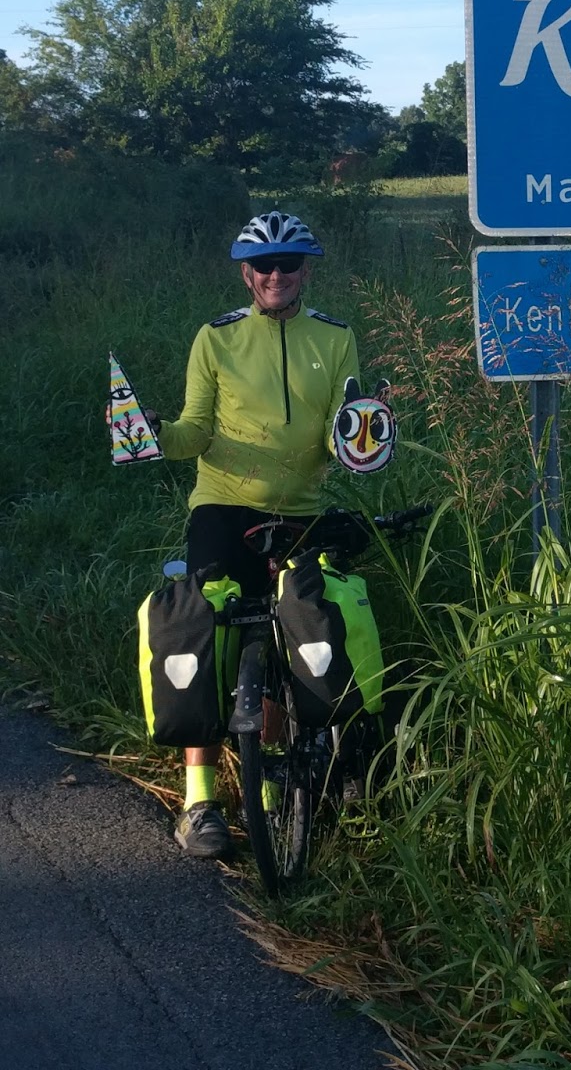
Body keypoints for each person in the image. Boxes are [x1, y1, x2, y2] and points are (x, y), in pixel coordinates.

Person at [149, 210, 360, 857]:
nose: (275, 275)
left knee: (304, 627)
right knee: (200, 625)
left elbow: (339, 430)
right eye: (263, 266)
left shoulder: (336, 338)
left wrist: (359, 438)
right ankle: (200, 802)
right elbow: (196, 432)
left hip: (303, 508)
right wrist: (153, 432)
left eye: (288, 264)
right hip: (224, 505)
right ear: (246, 273)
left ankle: (279, 783)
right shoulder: (215, 340)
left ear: (305, 271)